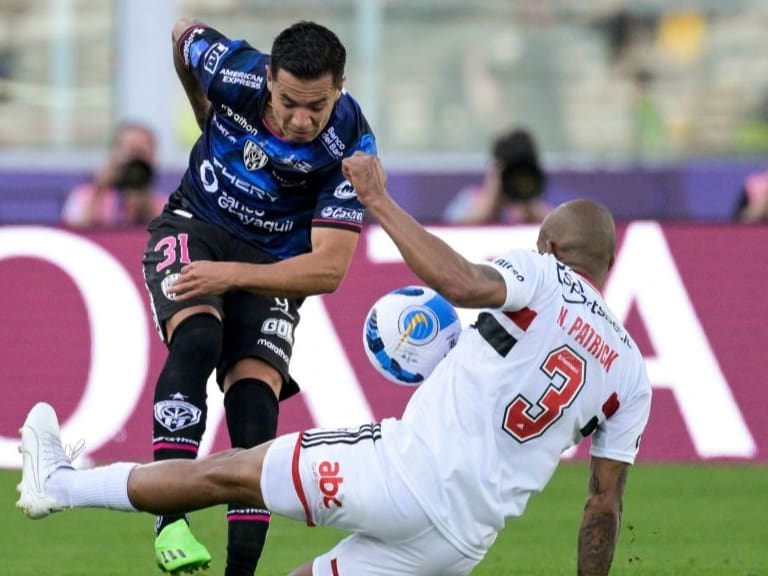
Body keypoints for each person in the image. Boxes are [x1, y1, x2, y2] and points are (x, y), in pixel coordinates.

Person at [17, 153, 652, 576]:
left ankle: (58, 485)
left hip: (397, 476)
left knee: (224, 473)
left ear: (550, 245)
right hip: (461, 543)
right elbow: (603, 506)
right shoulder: (628, 371)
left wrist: (377, 199)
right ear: (608, 266)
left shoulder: (540, 274)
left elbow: (460, 282)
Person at [137, 17, 376, 576]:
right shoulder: (230, 70)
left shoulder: (353, 144)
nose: (301, 119)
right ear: (268, 78)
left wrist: (229, 276)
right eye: (290, 101)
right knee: (196, 338)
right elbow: (181, 32)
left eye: (316, 106)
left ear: (338, 90)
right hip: (193, 224)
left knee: (253, 401)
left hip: (270, 263)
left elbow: (329, 270)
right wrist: (201, 108)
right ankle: (169, 518)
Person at [61, 121, 164, 228]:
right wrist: (98, 190)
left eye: (141, 152)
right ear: (114, 153)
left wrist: (145, 204)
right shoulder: (83, 196)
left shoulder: (164, 204)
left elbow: (167, 236)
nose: (135, 159)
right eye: (130, 151)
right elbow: (75, 234)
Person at [442, 127, 551, 225]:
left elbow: (561, 229)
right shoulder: (470, 198)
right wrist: (491, 200)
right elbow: (450, 230)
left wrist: (529, 205)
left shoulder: (544, 202)